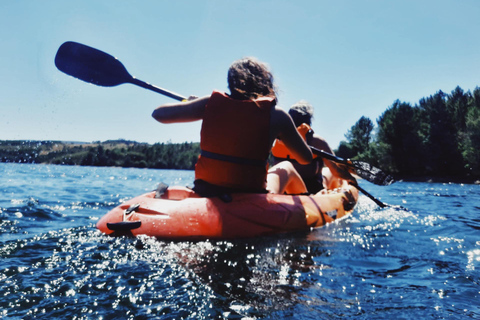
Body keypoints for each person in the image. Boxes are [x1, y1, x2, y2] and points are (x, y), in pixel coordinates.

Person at [152, 57, 312, 197]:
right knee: (287, 166)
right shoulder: (277, 116)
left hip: (207, 189)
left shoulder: (209, 103)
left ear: (231, 82)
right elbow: (305, 158)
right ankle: (306, 204)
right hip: (251, 193)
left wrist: (192, 104)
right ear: (264, 83)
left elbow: (158, 114)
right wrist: (284, 136)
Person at [271, 100, 356, 193]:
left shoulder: (275, 138)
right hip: (311, 190)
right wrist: (351, 179)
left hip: (284, 189)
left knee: (326, 171)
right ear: (309, 121)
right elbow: (336, 171)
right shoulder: (317, 141)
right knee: (329, 171)